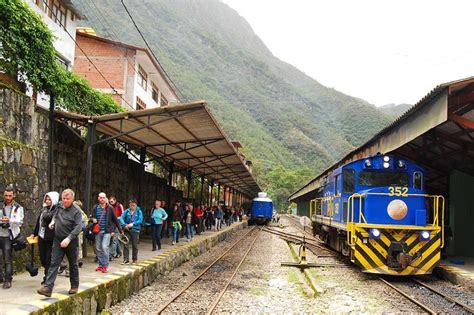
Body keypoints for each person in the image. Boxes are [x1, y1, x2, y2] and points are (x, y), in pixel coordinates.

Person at [37, 189, 82, 297]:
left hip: (71, 241)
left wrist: (69, 239)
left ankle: (74, 285)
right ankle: (48, 287)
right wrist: (53, 222)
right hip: (57, 239)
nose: (65, 201)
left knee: (73, 264)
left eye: (67, 199)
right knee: (54, 263)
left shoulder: (76, 211)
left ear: (72, 199)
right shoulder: (59, 206)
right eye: (63, 198)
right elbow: (56, 215)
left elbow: (78, 227)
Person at [90, 192, 122, 273]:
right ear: (98, 198)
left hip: (107, 231)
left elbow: (115, 220)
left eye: (103, 197)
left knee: (104, 247)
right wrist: (93, 220)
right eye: (100, 197)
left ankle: (105, 265)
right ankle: (101, 265)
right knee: (97, 248)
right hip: (98, 231)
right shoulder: (96, 207)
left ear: (105, 198)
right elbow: (91, 217)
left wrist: (120, 231)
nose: (102, 199)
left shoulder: (109, 208)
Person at [32, 191, 59, 285]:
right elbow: (38, 222)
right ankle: (48, 275)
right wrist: (34, 234)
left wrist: (45, 211)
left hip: (51, 238)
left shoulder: (56, 210)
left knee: (48, 259)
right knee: (43, 259)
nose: (47, 201)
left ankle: (47, 278)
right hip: (42, 236)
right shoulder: (43, 210)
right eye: (46, 199)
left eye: (49, 199)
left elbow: (48, 219)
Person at [0, 186, 24, 289]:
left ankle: (8, 279)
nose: (8, 198)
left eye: (10, 195)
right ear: (3, 195)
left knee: (7, 259)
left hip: (8, 236)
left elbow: (19, 221)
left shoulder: (18, 207)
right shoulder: (0, 205)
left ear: (13, 195)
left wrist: (9, 220)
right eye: (6, 195)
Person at [120, 199, 143, 264]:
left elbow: (140, 220)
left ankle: (134, 259)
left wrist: (133, 224)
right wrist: (124, 225)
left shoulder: (139, 212)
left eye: (133, 205)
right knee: (125, 243)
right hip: (127, 229)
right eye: (131, 205)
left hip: (135, 229)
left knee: (135, 245)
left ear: (136, 205)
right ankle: (126, 259)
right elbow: (121, 218)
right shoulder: (127, 211)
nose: (132, 206)